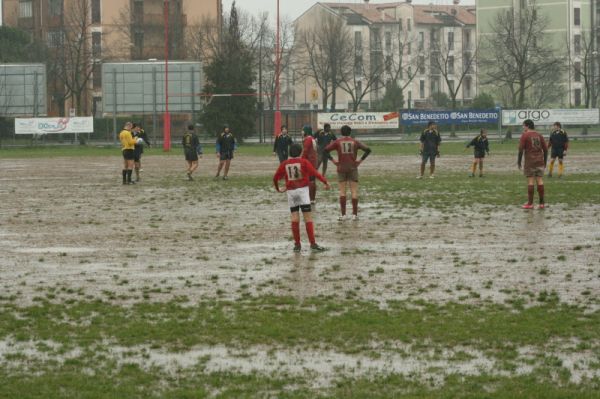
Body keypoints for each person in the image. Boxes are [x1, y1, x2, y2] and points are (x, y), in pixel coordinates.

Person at [273, 143, 330, 252]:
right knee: (308, 217)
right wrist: (325, 182)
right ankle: (313, 244)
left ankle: (297, 245)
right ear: (300, 152)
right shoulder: (304, 162)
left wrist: (278, 189)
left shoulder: (285, 163)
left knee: (294, 218)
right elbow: (315, 173)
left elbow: (275, 178)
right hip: (303, 191)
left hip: (291, 193)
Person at [325, 125, 371, 221]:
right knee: (354, 191)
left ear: (341, 133)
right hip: (353, 168)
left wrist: (333, 161)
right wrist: (360, 161)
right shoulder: (355, 141)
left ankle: (343, 215)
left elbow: (325, 151)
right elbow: (368, 150)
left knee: (342, 192)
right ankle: (354, 215)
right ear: (350, 132)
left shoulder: (337, 142)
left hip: (341, 168)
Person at [518, 119, 548, 209]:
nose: (523, 127)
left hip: (530, 161)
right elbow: (546, 149)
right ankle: (541, 203)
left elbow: (520, 150)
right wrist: (545, 161)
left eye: (523, 126)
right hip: (540, 161)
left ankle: (530, 204)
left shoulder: (525, 135)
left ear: (527, 126)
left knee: (530, 181)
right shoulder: (539, 135)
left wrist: (519, 161)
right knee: (540, 180)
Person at [301, 125, 319, 204]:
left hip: (309, 162)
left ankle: (310, 199)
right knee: (312, 181)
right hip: (313, 162)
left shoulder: (308, 139)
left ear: (306, 131)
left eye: (303, 130)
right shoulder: (312, 138)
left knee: (310, 181)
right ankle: (312, 198)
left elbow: (305, 151)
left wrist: (301, 160)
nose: (301, 132)